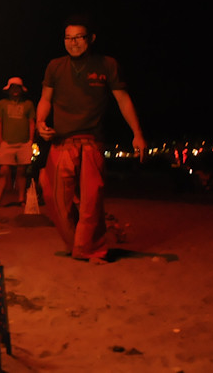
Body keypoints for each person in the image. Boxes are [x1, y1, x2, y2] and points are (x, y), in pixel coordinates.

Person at [36, 14, 146, 264]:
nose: (73, 42)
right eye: (68, 38)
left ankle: (90, 249)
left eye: (79, 37)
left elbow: (123, 100)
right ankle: (77, 242)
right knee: (54, 198)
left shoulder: (107, 65)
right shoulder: (55, 66)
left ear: (91, 38)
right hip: (61, 141)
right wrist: (41, 124)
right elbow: (45, 98)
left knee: (91, 199)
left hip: (92, 141)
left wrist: (137, 134)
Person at [0, 77, 35, 208]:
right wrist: (0, 140)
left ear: (21, 90)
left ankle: (21, 199)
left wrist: (31, 140)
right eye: (12, 87)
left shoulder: (28, 104)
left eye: (17, 87)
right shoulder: (3, 103)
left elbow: (31, 122)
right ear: (9, 90)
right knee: (4, 170)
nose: (15, 90)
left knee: (21, 171)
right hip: (7, 143)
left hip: (24, 143)